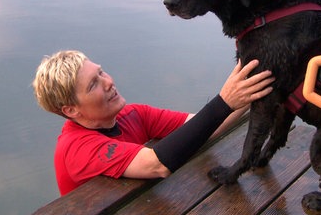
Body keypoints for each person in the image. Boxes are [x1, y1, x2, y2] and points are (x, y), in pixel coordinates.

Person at [32, 50, 275, 195]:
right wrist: (224, 102)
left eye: (101, 73)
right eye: (93, 85)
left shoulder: (132, 114)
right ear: (71, 110)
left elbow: (204, 127)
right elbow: (156, 164)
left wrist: (253, 89)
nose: (108, 82)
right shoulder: (76, 148)